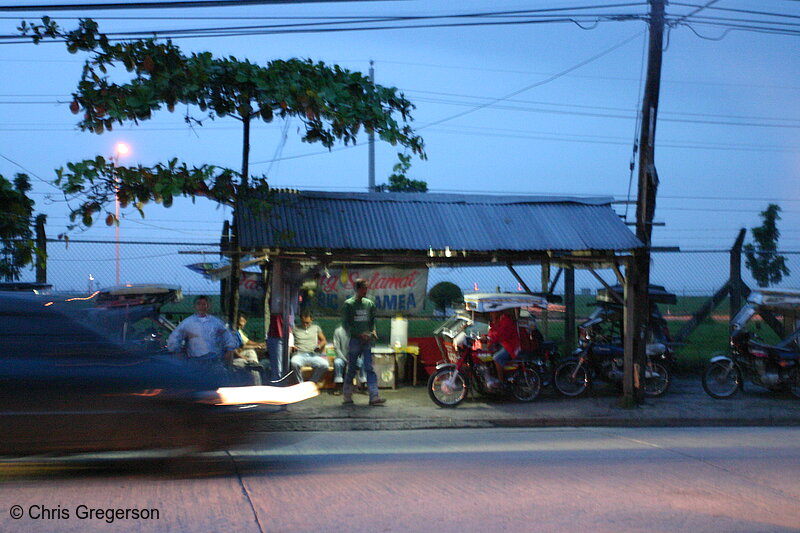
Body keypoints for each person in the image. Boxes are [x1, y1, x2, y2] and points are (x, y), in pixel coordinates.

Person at [167, 295, 238, 379]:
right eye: (199, 304)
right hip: (195, 360)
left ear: (209, 305)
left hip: (213, 361)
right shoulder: (188, 322)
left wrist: (229, 350)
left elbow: (228, 336)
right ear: (195, 306)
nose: (202, 306)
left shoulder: (216, 322)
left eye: (204, 304)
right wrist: (176, 350)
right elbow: (174, 337)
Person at [341, 278, 385, 406]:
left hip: (367, 341)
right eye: (363, 288)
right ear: (357, 289)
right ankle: (347, 395)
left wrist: (373, 331)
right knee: (352, 368)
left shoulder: (369, 304)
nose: (365, 291)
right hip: (355, 340)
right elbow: (346, 325)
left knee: (369, 368)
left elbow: (372, 322)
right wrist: (358, 334)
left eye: (366, 288)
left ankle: (374, 396)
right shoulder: (349, 304)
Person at [289, 310, 329, 384]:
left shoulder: (316, 328)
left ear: (312, 320)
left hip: (313, 355)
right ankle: (300, 383)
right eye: (303, 322)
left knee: (324, 364)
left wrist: (319, 346)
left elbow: (324, 340)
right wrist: (292, 345)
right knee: (294, 363)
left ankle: (312, 382)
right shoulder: (295, 328)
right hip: (300, 354)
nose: (305, 325)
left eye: (307, 323)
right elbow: (289, 340)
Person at [488, 309, 521, 389]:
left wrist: (489, 337)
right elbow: (492, 332)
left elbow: (500, 335)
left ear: (498, 311)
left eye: (493, 312)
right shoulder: (496, 321)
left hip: (511, 346)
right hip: (503, 344)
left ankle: (501, 381)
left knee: (496, 358)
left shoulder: (506, 320)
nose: (491, 314)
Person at [230, 312, 264, 385]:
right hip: (232, 358)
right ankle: (257, 384)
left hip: (240, 353)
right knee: (251, 363)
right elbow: (232, 349)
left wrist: (258, 345)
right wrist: (243, 357)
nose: (243, 324)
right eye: (242, 321)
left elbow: (243, 344)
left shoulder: (237, 331)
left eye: (244, 322)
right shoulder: (231, 331)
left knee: (252, 354)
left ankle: (257, 378)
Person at [332, 324, 365, 395]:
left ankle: (364, 385)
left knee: (362, 362)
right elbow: (336, 348)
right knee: (337, 362)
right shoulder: (338, 331)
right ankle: (339, 386)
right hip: (342, 357)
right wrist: (345, 359)